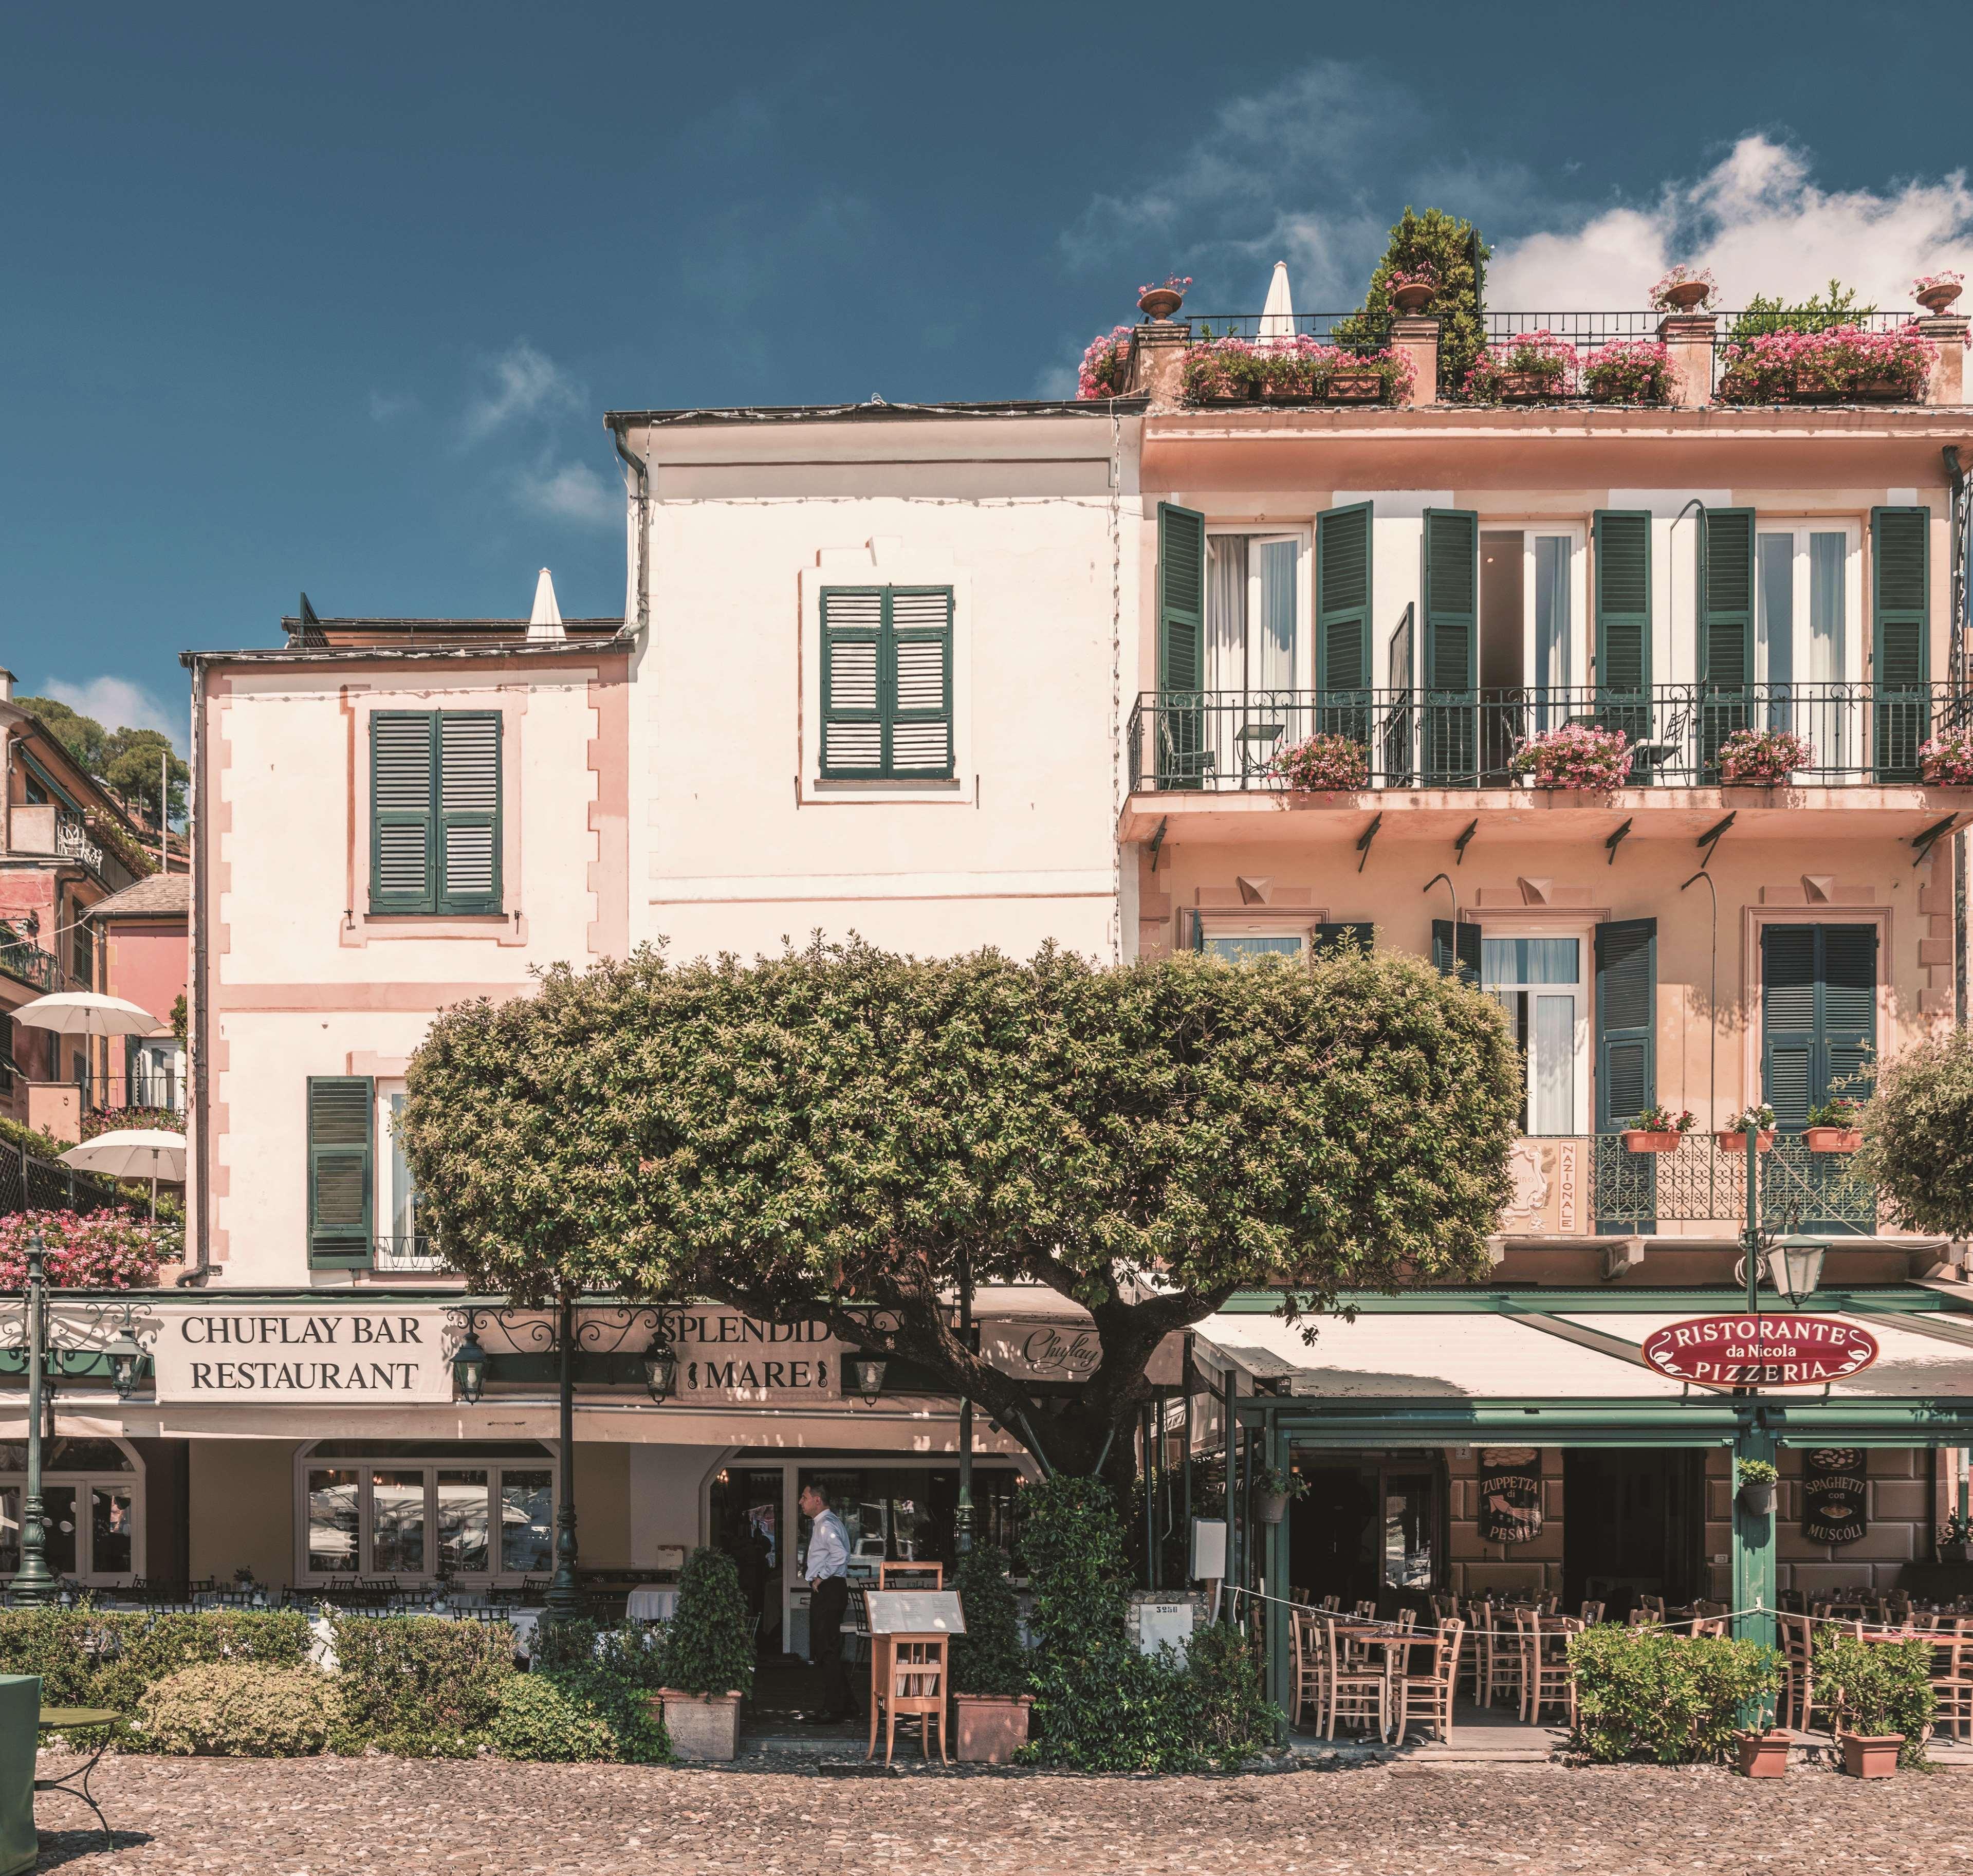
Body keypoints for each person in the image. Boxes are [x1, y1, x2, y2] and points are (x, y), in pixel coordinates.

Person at [799, 1481, 855, 1723]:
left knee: (826, 1650)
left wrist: (821, 1576)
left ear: (817, 1500)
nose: (801, 1502)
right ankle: (848, 1705)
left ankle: (834, 1709)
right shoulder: (829, 1522)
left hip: (829, 1589)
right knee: (827, 1649)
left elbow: (841, 1555)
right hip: (833, 1589)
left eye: (804, 1497)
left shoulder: (826, 1525)